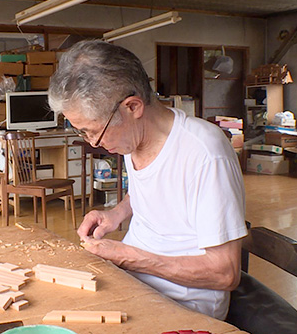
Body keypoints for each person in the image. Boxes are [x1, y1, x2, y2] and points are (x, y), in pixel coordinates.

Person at [48, 40, 247, 320]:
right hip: (134, 279)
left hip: (182, 303)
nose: (94, 142)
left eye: (93, 131)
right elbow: (155, 188)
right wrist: (117, 213)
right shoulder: (133, 137)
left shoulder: (205, 153)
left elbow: (224, 273)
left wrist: (129, 257)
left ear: (132, 107)